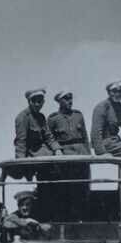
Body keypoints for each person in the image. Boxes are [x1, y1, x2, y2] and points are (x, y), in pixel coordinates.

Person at [46, 90, 92, 220]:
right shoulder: (53, 118)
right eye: (66, 99)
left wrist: (89, 155)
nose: (69, 101)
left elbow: (85, 136)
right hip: (65, 157)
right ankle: (68, 219)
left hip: (81, 155)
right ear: (59, 101)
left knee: (83, 187)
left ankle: (83, 218)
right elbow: (49, 138)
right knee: (67, 189)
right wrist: (57, 150)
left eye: (70, 98)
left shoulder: (78, 115)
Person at [8, 88, 62, 180]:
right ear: (29, 102)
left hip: (45, 153)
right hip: (33, 155)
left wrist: (57, 150)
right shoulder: (22, 117)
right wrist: (21, 163)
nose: (37, 104)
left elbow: (49, 137)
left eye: (40, 101)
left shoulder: (41, 117)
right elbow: (21, 142)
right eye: (34, 101)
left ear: (43, 102)